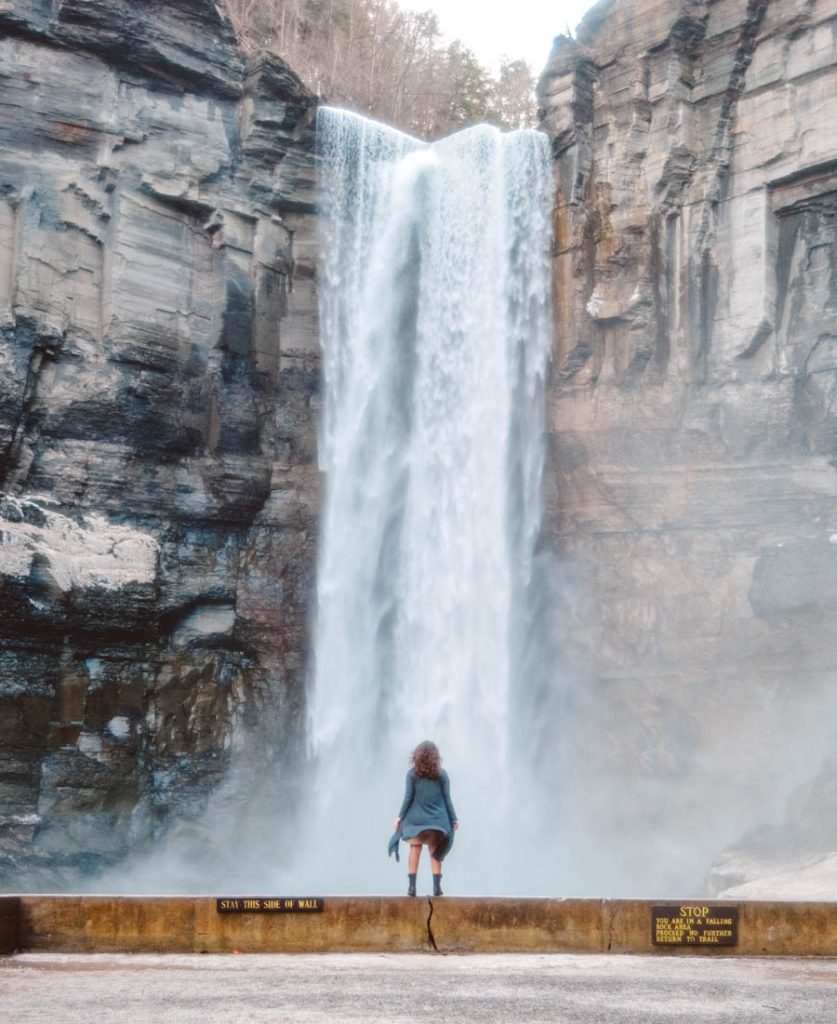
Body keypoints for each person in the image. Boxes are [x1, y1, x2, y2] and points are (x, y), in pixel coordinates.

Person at [388, 740, 459, 897]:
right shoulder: (442, 775)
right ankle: (436, 888)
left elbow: (408, 798)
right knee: (434, 850)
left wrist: (399, 817)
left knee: (415, 847)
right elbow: (448, 799)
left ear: (416, 756)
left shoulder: (412, 775)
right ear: (436, 757)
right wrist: (454, 819)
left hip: (416, 822)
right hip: (437, 823)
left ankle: (412, 888)